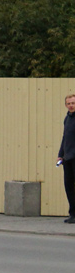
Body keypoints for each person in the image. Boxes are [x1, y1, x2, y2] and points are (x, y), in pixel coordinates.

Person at [57, 93, 75, 223]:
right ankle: (73, 214)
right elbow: (65, 137)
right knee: (68, 186)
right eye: (68, 103)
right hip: (67, 157)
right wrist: (60, 154)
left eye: (73, 103)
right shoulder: (67, 118)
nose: (71, 105)